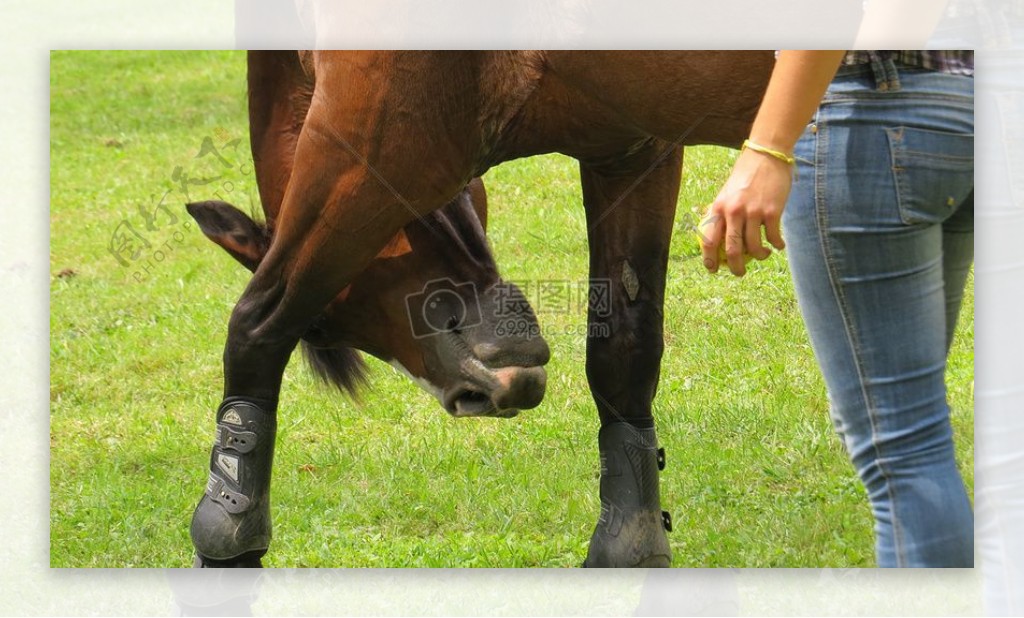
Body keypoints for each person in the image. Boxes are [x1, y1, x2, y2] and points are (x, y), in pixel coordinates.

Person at [700, 50, 975, 567]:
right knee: (920, 441)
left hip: (874, 112)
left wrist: (768, 147)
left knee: (905, 456)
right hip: (969, 106)